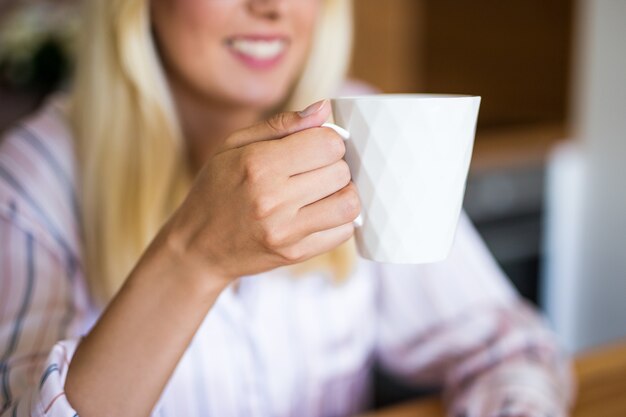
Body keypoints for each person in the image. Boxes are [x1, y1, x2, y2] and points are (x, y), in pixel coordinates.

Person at [0, 0, 573, 416]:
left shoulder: (365, 123)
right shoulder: (31, 179)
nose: (272, 8)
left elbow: (508, 347)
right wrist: (193, 259)